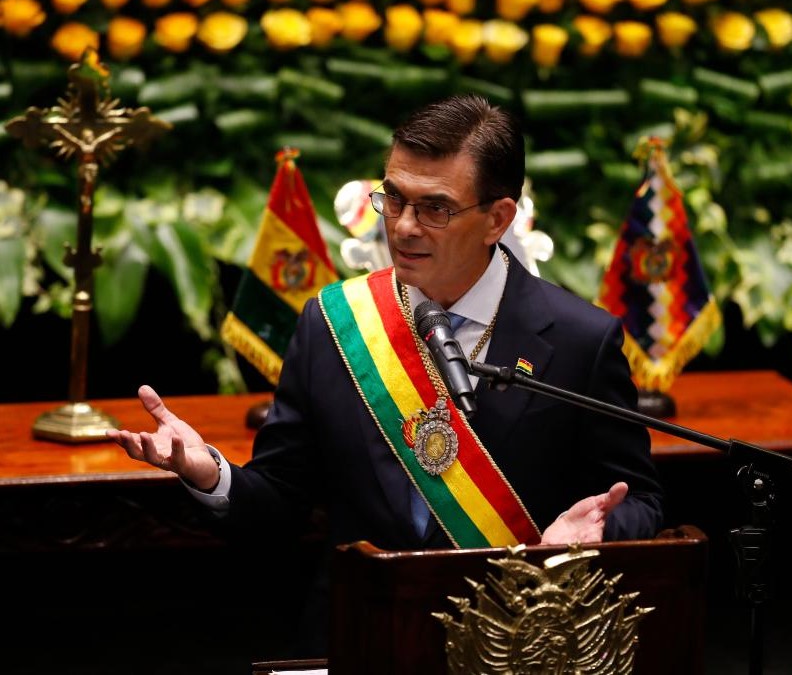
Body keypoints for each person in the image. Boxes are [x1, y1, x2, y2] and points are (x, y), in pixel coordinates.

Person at [108, 93, 663, 650]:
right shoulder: (334, 324)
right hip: (359, 637)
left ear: (497, 219)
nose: (403, 227)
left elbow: (639, 501)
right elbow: (279, 500)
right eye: (393, 199)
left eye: (435, 208)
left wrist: (591, 532)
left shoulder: (578, 340)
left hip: (512, 643)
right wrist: (209, 473)